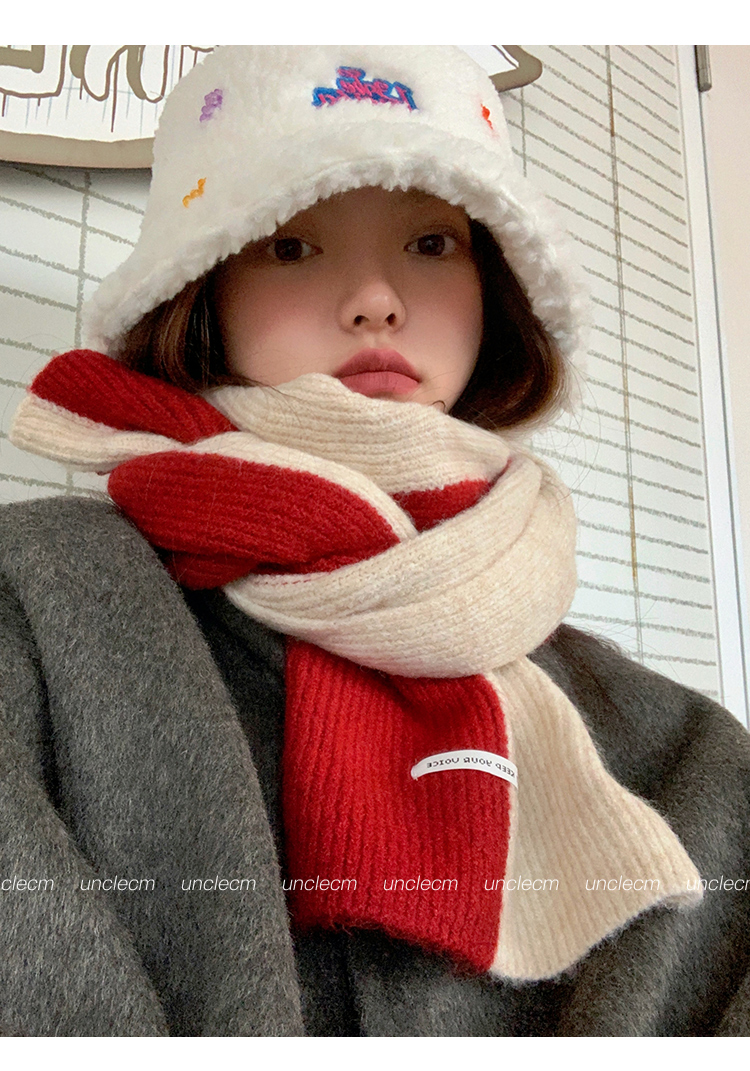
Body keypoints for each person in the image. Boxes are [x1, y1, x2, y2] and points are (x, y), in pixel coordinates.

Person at [1, 45, 749, 1038]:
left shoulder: (691, 755)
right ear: (200, 291)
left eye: (432, 243)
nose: (375, 299)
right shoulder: (33, 605)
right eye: (290, 246)